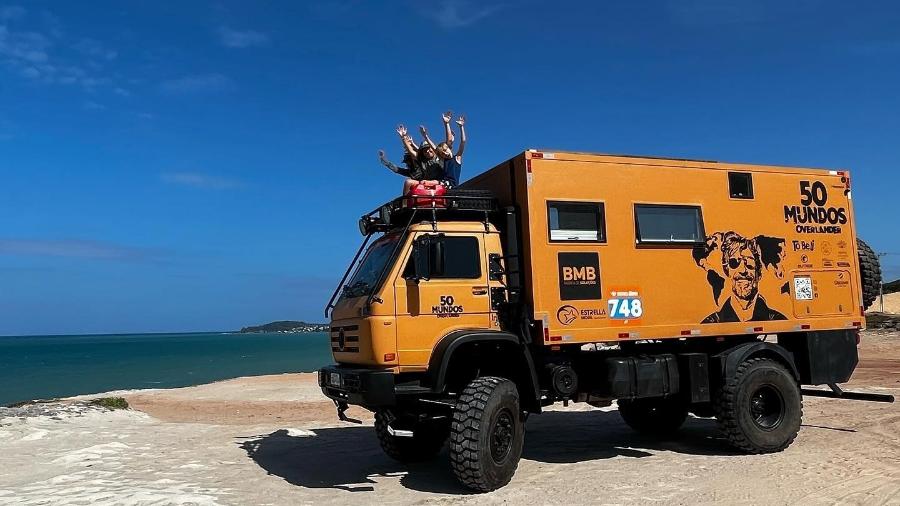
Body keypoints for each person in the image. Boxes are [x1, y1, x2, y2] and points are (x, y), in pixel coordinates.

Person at [701, 233, 787, 323]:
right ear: (727, 270)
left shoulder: (777, 319)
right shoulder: (712, 322)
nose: (742, 270)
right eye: (734, 263)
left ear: (759, 273)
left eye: (749, 263)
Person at [421, 113, 466, 187]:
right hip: (441, 182)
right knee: (427, 183)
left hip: (451, 185)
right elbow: (434, 148)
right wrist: (425, 136)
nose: (445, 153)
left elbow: (463, 141)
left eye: (445, 150)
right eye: (442, 153)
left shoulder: (457, 158)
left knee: (429, 182)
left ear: (449, 148)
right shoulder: (444, 159)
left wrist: (461, 127)